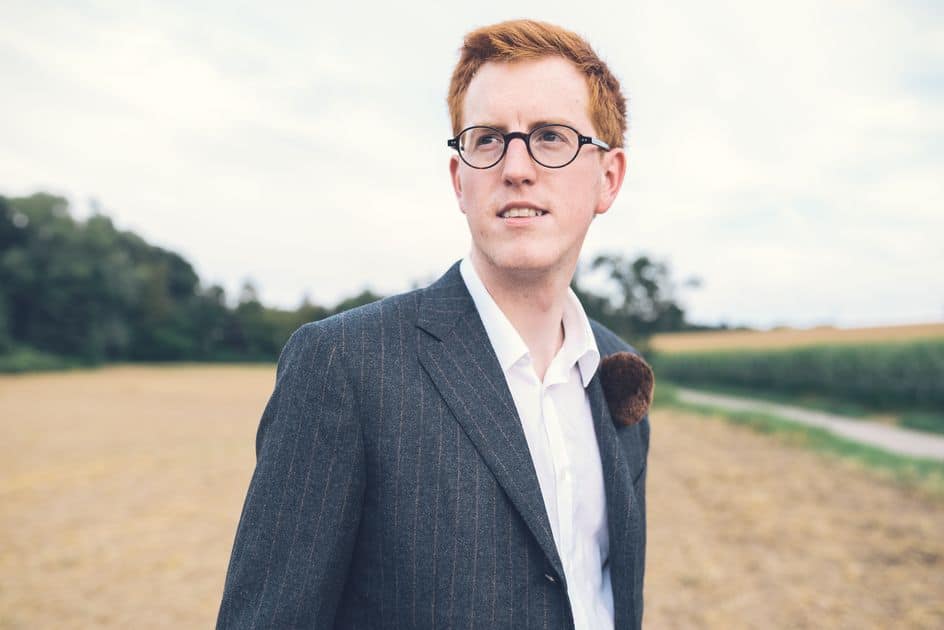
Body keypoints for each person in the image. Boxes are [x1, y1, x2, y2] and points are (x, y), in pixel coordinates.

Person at [216, 19, 650, 630]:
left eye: (550, 137)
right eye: (487, 139)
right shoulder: (343, 364)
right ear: (459, 180)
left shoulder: (617, 373)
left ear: (609, 178)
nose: (516, 167)